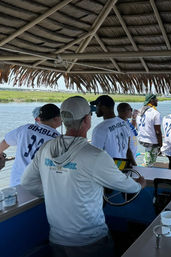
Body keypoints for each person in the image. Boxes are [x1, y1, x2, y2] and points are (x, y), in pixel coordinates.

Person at [21, 96, 146, 257]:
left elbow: (27, 182)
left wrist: (55, 193)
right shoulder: (95, 155)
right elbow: (123, 184)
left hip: (57, 239)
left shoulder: (46, 147)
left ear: (64, 119)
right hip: (91, 241)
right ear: (87, 120)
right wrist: (139, 184)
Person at [0, 104, 61, 186]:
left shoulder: (25, 128)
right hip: (40, 188)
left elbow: (5, 142)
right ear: (56, 119)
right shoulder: (58, 139)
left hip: (16, 183)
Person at [91, 95, 136, 166]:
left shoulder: (100, 129)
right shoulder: (123, 123)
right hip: (123, 167)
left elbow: (94, 156)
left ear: (102, 107)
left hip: (110, 171)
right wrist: (134, 166)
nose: (95, 109)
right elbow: (128, 149)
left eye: (96, 106)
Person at [136, 93, 162, 167]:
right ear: (152, 100)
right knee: (150, 162)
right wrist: (161, 145)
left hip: (142, 139)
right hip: (151, 142)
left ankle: (147, 166)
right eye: (156, 99)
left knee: (148, 157)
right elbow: (158, 132)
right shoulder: (155, 113)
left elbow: (137, 127)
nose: (157, 101)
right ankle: (147, 171)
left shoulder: (139, 111)